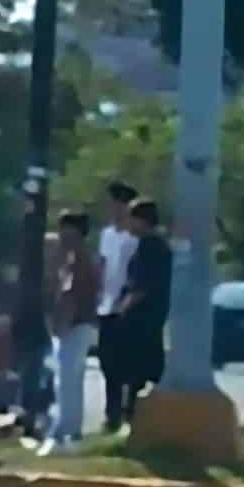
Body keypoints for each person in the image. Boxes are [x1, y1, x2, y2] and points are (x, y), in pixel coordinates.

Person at [38, 211, 100, 456]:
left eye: (65, 228)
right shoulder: (73, 258)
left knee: (66, 381)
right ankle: (69, 431)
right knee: (69, 380)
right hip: (76, 324)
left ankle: (64, 432)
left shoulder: (79, 260)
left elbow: (71, 296)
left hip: (74, 325)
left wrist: (62, 323)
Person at [117, 197, 173, 419]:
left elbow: (144, 284)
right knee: (146, 368)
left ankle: (136, 415)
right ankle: (137, 413)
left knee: (140, 369)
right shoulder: (151, 245)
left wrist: (125, 306)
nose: (128, 224)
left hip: (144, 317)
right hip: (149, 316)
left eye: (131, 218)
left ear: (142, 220)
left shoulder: (151, 246)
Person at [96, 181, 139, 431]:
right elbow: (103, 265)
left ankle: (129, 411)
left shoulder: (134, 239)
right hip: (106, 305)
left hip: (126, 307)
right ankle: (112, 412)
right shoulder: (107, 235)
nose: (113, 209)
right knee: (107, 362)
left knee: (127, 362)